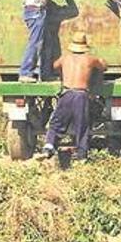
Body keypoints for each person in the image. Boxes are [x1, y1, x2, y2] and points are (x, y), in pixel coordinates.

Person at [38, 32, 107, 161]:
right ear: (85, 45)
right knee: (82, 125)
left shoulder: (65, 58)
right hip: (81, 95)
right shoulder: (90, 59)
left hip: (67, 93)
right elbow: (103, 67)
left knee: (56, 122)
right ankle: (81, 155)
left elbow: (55, 66)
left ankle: (49, 147)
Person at [39, 0, 79, 80]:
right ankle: (47, 74)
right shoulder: (51, 8)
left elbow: (73, 11)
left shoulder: (42, 7)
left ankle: (46, 73)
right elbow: (73, 10)